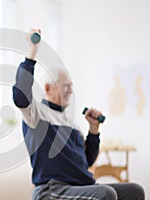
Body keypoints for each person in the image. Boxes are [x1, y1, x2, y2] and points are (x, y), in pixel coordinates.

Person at [12, 28, 145, 200]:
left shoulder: (71, 123)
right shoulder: (36, 113)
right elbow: (20, 95)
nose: (70, 91)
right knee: (106, 194)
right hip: (51, 190)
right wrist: (32, 53)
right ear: (47, 88)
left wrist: (94, 128)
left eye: (71, 86)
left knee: (135, 191)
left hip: (80, 187)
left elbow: (87, 160)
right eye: (65, 85)